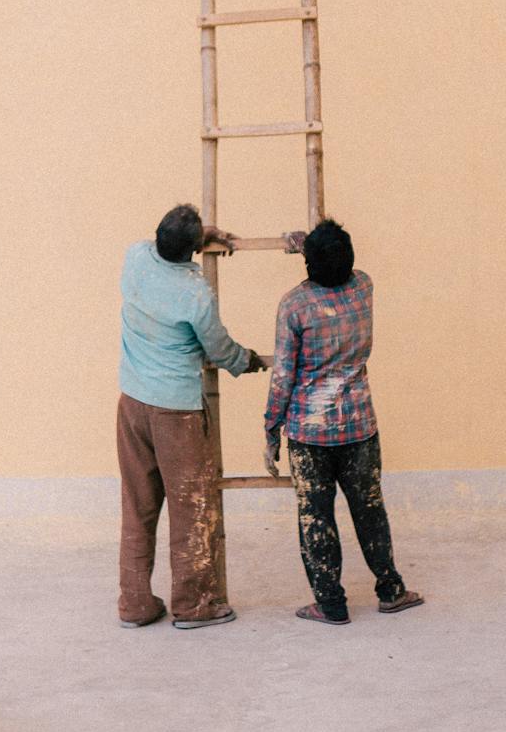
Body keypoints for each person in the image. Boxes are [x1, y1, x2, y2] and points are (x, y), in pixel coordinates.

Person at [117, 203, 270, 631]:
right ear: (191, 251)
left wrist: (195, 236)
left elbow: (155, 247)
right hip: (175, 411)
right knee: (191, 507)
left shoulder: (135, 257)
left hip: (131, 401)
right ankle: (194, 605)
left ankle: (134, 604)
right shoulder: (196, 292)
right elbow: (219, 349)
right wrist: (247, 361)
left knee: (138, 505)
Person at [264, 218, 424, 625]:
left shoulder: (294, 306)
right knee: (370, 510)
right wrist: (315, 249)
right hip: (359, 426)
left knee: (316, 517)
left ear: (308, 264)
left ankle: (331, 603)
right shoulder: (364, 287)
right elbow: (338, 266)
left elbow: (283, 375)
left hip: (308, 431)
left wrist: (271, 430)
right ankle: (390, 590)